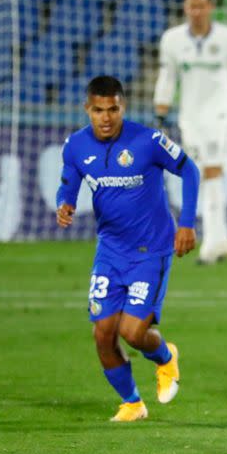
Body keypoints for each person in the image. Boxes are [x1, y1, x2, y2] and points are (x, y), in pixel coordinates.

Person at [56, 76, 200, 422]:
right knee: (102, 334)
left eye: (113, 109)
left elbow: (190, 170)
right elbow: (69, 182)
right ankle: (133, 403)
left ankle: (165, 357)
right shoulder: (76, 146)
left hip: (152, 250)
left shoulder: (148, 140)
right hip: (110, 251)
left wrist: (187, 223)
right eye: (98, 110)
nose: (106, 117)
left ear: (123, 107)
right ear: (87, 110)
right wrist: (65, 203)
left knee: (133, 333)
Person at [154, 0, 227, 265]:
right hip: (191, 118)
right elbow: (167, 78)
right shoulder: (172, 40)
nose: (196, 12)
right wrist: (160, 115)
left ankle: (211, 246)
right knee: (202, 174)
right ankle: (222, 240)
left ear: (210, 7)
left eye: (201, 6)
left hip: (222, 114)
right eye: (192, 7)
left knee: (212, 171)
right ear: (185, 8)